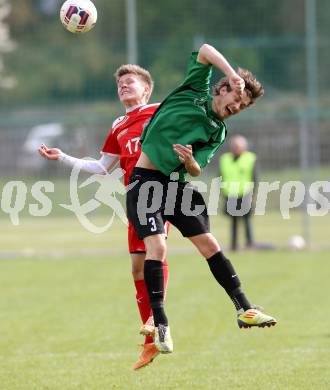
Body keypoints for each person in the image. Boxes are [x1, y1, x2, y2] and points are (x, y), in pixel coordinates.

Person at [126, 43, 277, 354]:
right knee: (158, 245)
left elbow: (195, 170)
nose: (236, 107)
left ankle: (244, 310)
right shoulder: (195, 87)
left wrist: (191, 161)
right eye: (236, 98)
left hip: (176, 185)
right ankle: (161, 324)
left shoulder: (217, 130)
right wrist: (233, 73)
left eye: (243, 106)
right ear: (222, 88)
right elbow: (205, 49)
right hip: (144, 183)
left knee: (210, 244)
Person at [38, 64, 169, 369]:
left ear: (146, 89)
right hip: (134, 197)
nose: (123, 86)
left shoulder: (160, 112)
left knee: (155, 250)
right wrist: (64, 157)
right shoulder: (119, 124)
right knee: (137, 269)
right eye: (120, 83)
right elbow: (102, 167)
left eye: (130, 82)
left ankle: (158, 317)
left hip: (159, 191)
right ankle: (150, 340)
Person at [219, 135, 257, 251]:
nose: (236, 148)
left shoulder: (250, 158)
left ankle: (249, 244)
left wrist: (252, 193)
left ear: (244, 147)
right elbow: (220, 176)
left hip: (245, 193)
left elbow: (255, 176)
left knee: (246, 221)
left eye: (238, 146)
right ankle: (234, 245)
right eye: (234, 146)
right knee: (233, 221)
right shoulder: (225, 159)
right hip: (230, 194)